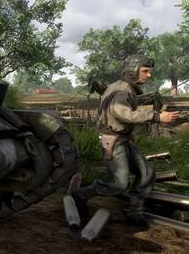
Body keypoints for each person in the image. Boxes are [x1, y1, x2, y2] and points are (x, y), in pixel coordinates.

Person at [72, 55, 179, 226]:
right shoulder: (122, 91)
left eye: (149, 71)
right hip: (113, 141)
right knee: (119, 183)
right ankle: (81, 195)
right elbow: (122, 113)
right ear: (132, 71)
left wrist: (128, 133)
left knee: (146, 173)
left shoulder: (122, 87)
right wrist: (157, 116)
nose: (149, 75)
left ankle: (135, 212)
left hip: (120, 138)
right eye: (145, 71)